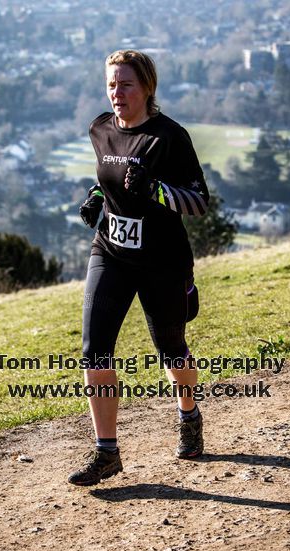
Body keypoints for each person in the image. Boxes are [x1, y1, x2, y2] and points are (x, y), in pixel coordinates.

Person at [68, 49, 210, 486]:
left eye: (125, 84)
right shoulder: (100, 128)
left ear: (147, 87)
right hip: (109, 252)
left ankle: (188, 413)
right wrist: (96, 199)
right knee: (94, 350)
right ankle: (106, 453)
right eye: (111, 84)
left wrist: (155, 190)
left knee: (170, 348)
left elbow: (198, 202)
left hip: (162, 261)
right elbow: (107, 176)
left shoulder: (170, 137)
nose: (117, 93)